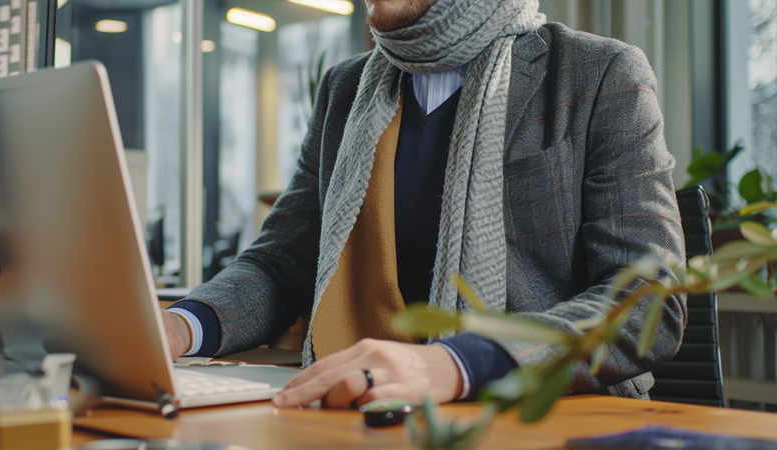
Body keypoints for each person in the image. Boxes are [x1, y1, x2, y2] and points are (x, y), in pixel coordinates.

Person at [162, 0, 686, 409]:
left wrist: (458, 364)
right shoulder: (344, 89)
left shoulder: (598, 73)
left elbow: (648, 299)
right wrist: (180, 326)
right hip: (365, 407)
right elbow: (281, 263)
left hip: (544, 413)